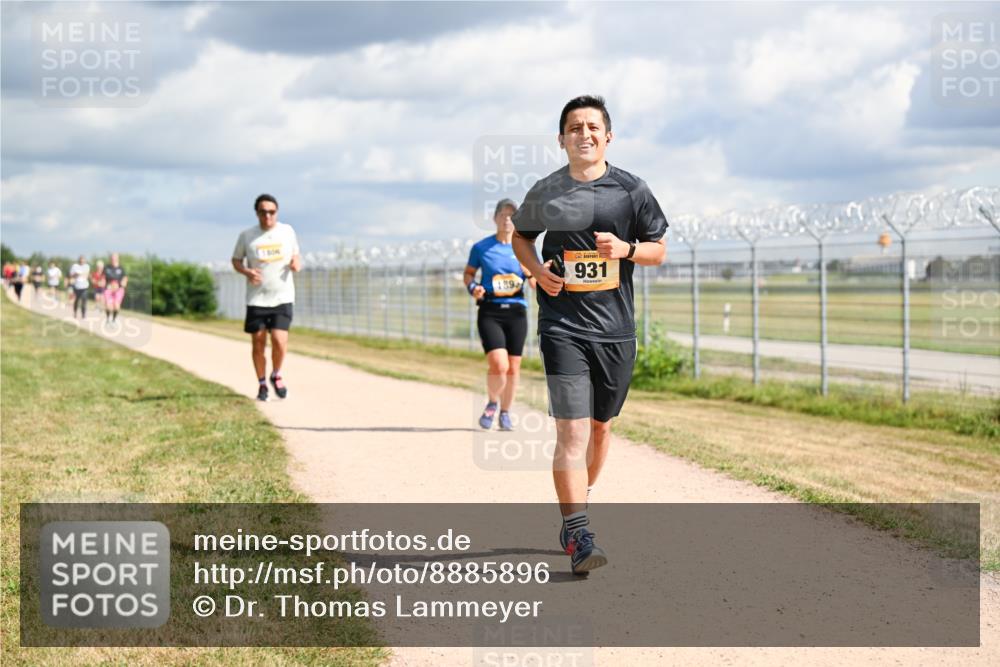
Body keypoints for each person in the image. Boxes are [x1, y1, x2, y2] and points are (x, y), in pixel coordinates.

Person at [512, 95, 668, 575]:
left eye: (592, 126)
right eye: (573, 127)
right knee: (573, 429)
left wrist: (626, 248)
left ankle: (580, 500)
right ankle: (578, 532)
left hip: (615, 329)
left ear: (607, 136)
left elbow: (658, 251)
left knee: (601, 429)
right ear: (561, 139)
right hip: (562, 325)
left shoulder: (631, 190)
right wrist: (538, 271)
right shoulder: (546, 191)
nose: (584, 134)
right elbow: (522, 237)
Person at [464, 199, 537, 431]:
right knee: (499, 365)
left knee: (514, 368)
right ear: (495, 218)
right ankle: (492, 403)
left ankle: (505, 412)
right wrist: (473, 288)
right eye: (503, 215)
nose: (507, 220)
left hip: (516, 312)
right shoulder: (481, 248)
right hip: (490, 311)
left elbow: (535, 282)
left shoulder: (525, 248)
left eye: (511, 216)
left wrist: (533, 273)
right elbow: (468, 275)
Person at [231, 193, 302, 401]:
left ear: (277, 212)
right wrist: (247, 272)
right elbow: (236, 260)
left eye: (272, 212)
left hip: (283, 295)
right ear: (257, 213)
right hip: (257, 299)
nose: (268, 216)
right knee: (259, 342)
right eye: (263, 212)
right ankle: (262, 383)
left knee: (280, 341)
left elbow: (295, 254)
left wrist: (296, 263)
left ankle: (276, 374)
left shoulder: (287, 231)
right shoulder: (247, 236)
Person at [103, 254, 128, 323]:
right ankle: (108, 319)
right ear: (110, 259)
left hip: (118, 289)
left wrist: (123, 284)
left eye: (115, 258)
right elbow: (103, 277)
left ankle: (114, 320)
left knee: (116, 306)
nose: (113, 260)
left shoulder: (121, 268)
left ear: (118, 259)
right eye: (112, 258)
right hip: (108, 289)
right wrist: (104, 283)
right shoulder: (106, 267)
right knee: (108, 306)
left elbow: (125, 278)